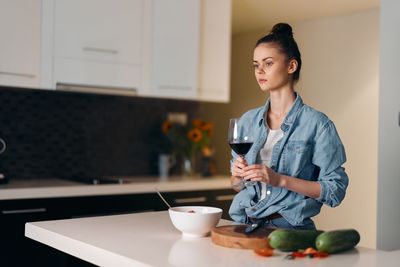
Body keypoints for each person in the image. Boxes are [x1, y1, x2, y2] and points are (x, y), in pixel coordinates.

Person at [229, 23, 349, 230]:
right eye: (255, 65)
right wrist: (237, 176)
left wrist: (280, 180)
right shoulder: (248, 120)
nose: (259, 71)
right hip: (245, 223)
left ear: (291, 66)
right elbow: (237, 186)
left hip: (290, 230)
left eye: (268, 63)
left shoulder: (318, 125)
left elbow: (334, 190)